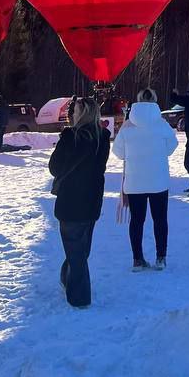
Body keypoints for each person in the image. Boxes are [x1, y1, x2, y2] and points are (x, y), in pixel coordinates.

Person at [48, 97, 110, 307]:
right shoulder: (102, 138)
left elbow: (55, 168)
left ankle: (80, 298)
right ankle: (67, 278)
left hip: (71, 201)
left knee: (76, 250)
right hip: (92, 200)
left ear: (79, 114)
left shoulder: (70, 137)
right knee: (81, 249)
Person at [112, 88, 178, 270]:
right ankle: (161, 258)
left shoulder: (127, 125)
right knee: (160, 220)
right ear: (155, 101)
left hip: (134, 182)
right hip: (159, 180)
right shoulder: (162, 124)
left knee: (137, 221)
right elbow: (173, 145)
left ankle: (137, 259)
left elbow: (118, 152)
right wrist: (158, 153)